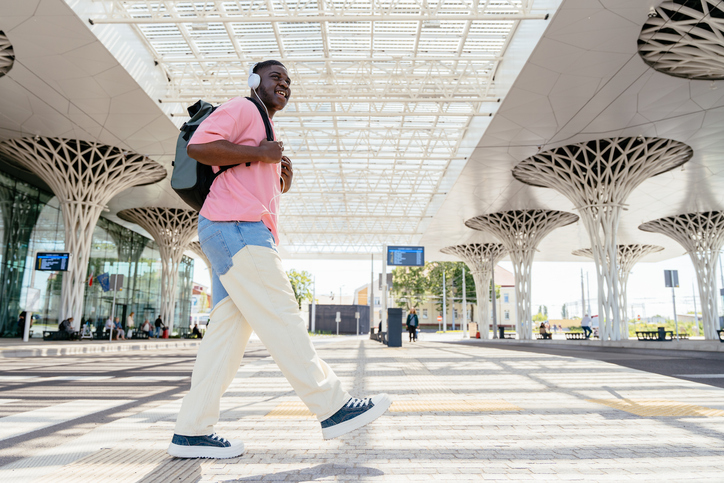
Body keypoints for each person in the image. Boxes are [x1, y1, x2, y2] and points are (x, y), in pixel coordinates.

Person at [168, 60, 390, 460]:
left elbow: (246, 174)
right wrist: (259, 152)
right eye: (276, 78)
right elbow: (199, 146)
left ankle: (191, 431)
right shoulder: (242, 107)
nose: (284, 84)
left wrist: (279, 176)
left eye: (288, 81)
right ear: (255, 82)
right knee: (282, 314)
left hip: (235, 227)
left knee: (225, 338)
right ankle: (333, 406)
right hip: (236, 227)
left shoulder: (265, 126)